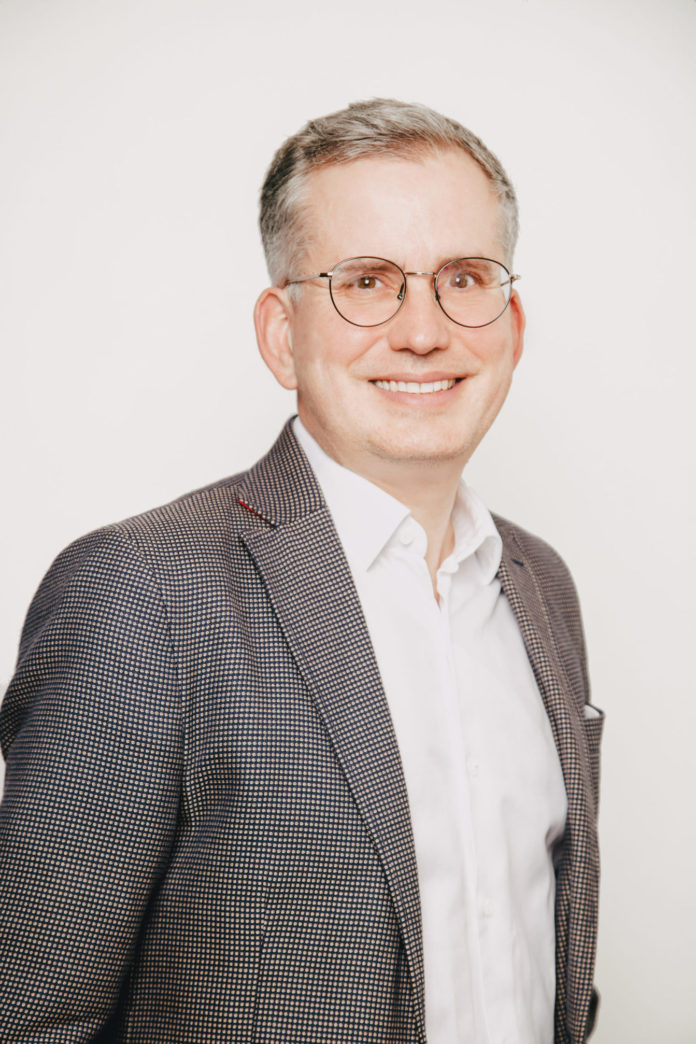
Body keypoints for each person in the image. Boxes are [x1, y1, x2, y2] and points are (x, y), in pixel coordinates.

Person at [0, 99, 603, 1043]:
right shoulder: (140, 592)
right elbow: (28, 1015)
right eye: (367, 281)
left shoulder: (540, 587)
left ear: (511, 323)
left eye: (464, 278)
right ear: (282, 333)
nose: (422, 331)